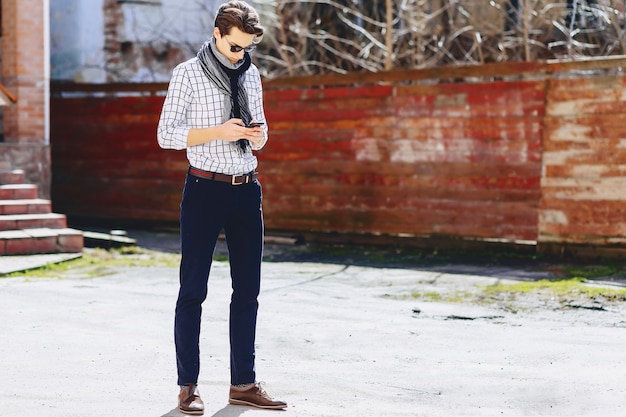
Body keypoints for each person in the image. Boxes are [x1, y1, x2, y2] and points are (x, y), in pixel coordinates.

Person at [156, 1, 286, 414]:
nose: (240, 55)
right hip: (204, 189)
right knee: (193, 289)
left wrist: (260, 137)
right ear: (216, 34)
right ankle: (188, 387)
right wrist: (218, 131)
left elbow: (259, 127)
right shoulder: (188, 74)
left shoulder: (252, 74)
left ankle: (243, 384)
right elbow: (165, 135)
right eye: (234, 46)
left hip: (247, 189)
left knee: (248, 291)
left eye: (246, 48)